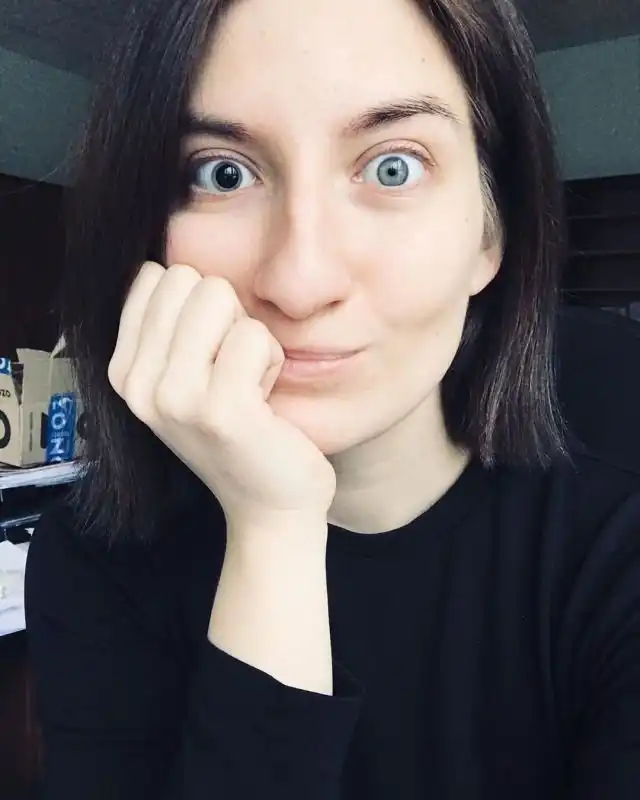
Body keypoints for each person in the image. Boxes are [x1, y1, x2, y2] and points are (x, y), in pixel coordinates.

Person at [24, 0, 640, 797]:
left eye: (393, 167)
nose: (300, 281)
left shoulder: (615, 567)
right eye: (221, 173)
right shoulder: (95, 561)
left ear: (491, 234)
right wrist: (272, 529)